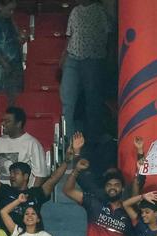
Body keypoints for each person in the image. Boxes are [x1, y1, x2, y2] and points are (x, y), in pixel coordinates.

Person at [60, 0, 110, 142]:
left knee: (93, 102)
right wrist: (63, 56)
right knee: (67, 99)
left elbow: (109, 36)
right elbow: (69, 36)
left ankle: (94, 139)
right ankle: (68, 140)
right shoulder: (75, 11)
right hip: (73, 57)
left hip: (93, 58)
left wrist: (108, 59)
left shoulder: (100, 11)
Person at [0, 107, 50, 188]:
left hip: (23, 195)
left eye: (7, 121)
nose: (3, 124)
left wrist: (30, 196)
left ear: (18, 124)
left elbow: (40, 176)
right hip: (2, 196)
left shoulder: (32, 143)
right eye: (2, 121)